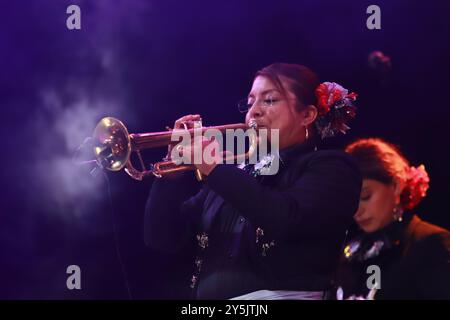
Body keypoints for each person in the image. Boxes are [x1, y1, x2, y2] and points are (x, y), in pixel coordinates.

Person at [144, 63, 362, 299]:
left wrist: (215, 168)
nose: (253, 112)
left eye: (269, 100)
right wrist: (171, 176)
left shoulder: (331, 166)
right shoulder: (234, 174)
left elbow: (287, 218)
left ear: (307, 115)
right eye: (249, 104)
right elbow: (162, 239)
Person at [336, 138, 450, 300]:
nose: (356, 211)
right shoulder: (354, 251)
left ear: (396, 186)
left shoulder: (431, 243)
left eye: (365, 196)